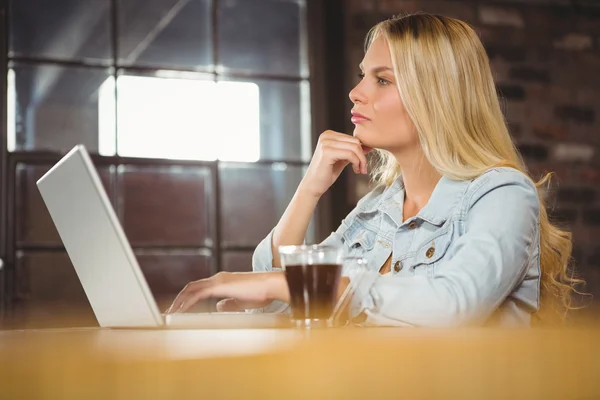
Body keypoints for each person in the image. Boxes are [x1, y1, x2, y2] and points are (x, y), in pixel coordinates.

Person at [167, 13, 581, 327]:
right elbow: (275, 299)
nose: (356, 92)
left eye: (382, 80)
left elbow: (455, 304)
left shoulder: (503, 194)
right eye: (363, 75)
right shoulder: (375, 210)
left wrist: (300, 286)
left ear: (434, 95)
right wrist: (309, 189)